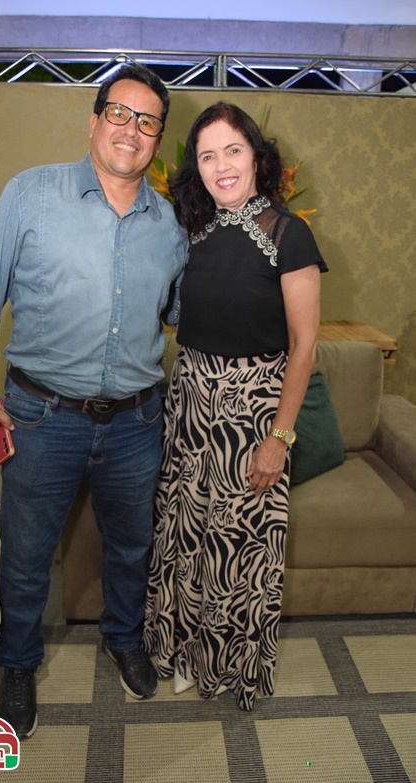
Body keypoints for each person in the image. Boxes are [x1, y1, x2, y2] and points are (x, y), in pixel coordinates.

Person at [0, 63, 188, 738]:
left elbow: (181, 317)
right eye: (119, 113)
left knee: (132, 547)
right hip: (40, 418)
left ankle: (124, 638)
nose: (131, 129)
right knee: (26, 556)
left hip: (136, 423)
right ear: (93, 121)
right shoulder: (30, 194)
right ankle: (18, 664)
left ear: (157, 138)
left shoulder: (172, 225)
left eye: (147, 121)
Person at [143, 101, 327, 711]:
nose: (221, 166)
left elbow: (304, 346)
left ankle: (227, 668)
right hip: (189, 401)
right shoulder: (191, 231)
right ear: (195, 167)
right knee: (183, 533)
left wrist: (280, 437)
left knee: (237, 547)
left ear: (256, 157)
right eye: (207, 155)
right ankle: (179, 653)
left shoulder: (287, 233)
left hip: (253, 411)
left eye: (233, 150)